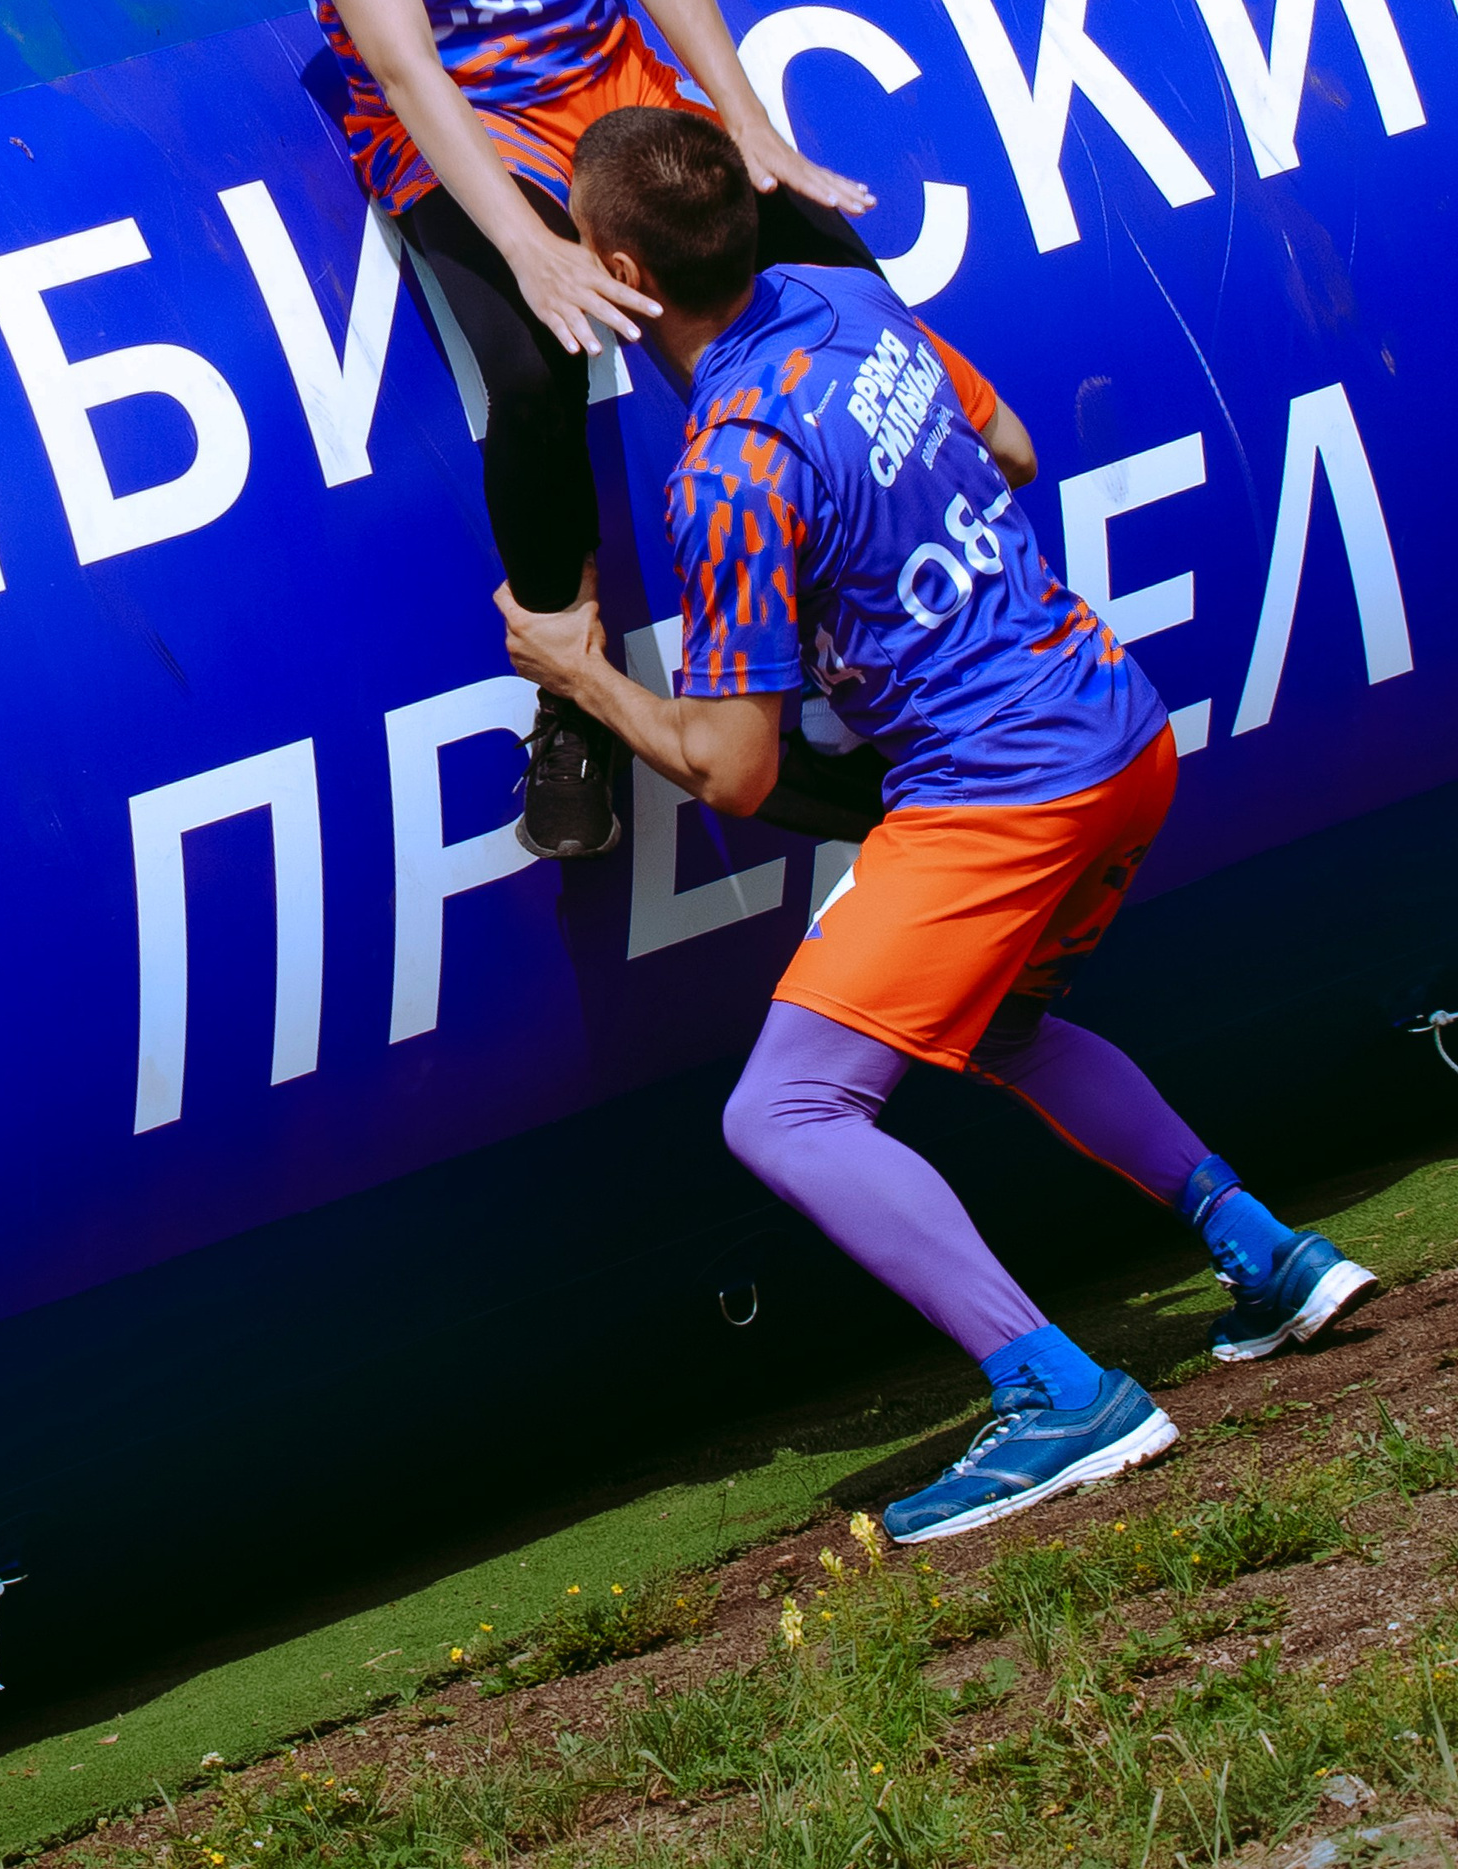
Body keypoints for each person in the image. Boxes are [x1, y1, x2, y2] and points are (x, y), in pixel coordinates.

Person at [501, 104, 1377, 1543]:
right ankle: (1265, 1252)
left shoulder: (728, 468)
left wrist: (577, 671)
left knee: (785, 1110)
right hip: (1115, 723)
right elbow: (1012, 447)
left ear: (619, 271)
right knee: (1003, 1024)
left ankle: (1059, 1392)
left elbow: (733, 770)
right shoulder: (837, 294)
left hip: (1000, 790)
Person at [240, 0, 873, 865]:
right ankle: (568, 696)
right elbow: (404, 61)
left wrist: (745, 117)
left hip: (602, 73)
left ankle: (852, 640)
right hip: (458, 114)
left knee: (831, 276)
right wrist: (526, 244)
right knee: (533, 367)